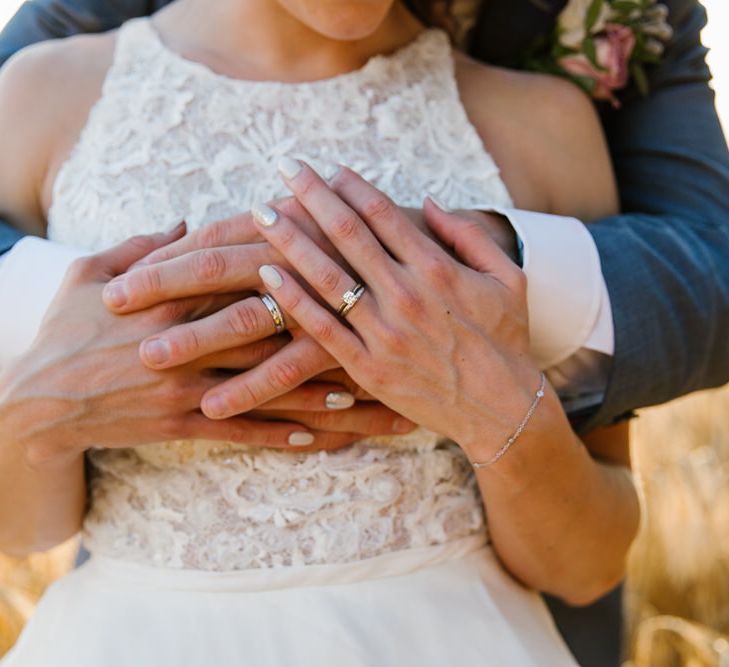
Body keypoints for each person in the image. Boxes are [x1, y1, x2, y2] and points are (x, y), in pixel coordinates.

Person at [0, 0, 725, 664]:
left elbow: (587, 564)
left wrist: (496, 409)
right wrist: (37, 408)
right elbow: (23, 531)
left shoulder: (542, 125)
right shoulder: (40, 98)